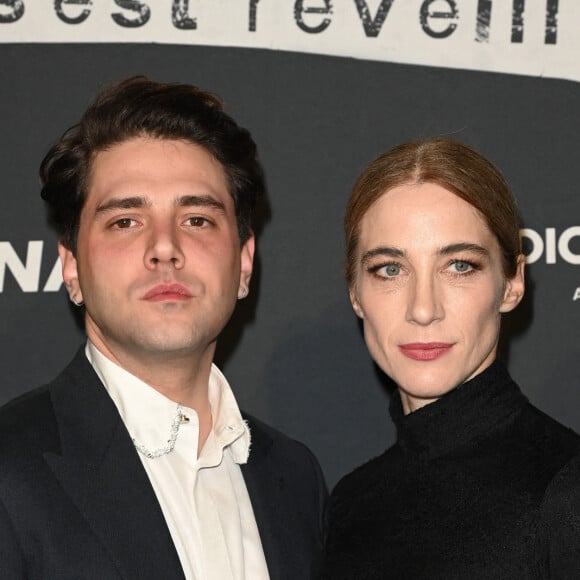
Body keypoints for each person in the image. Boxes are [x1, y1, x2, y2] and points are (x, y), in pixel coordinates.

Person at [0, 76, 326, 580]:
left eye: (197, 219)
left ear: (243, 263)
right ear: (71, 268)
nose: (165, 247)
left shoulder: (295, 478)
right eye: (125, 221)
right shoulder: (9, 467)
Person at [322, 138, 580, 579]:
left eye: (459, 266)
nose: (423, 309)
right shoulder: (348, 504)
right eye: (390, 268)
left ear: (512, 283)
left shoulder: (566, 491)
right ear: (355, 293)